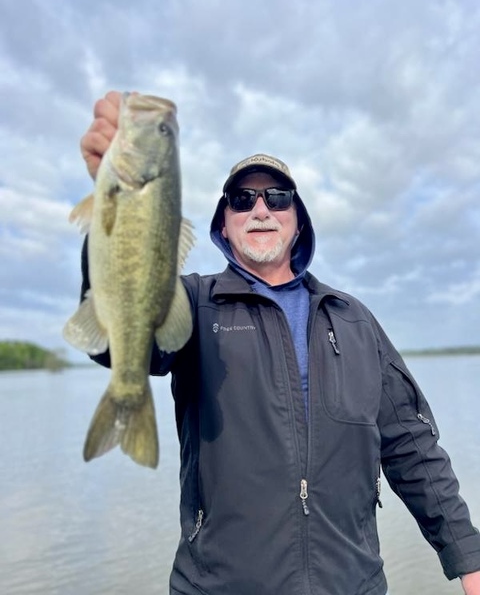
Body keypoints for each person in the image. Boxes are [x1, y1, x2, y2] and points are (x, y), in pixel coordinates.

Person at [79, 91, 480, 595]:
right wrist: (113, 210)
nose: (261, 208)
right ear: (224, 223)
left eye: (278, 197)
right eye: (242, 200)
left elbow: (411, 446)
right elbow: (119, 341)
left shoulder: (353, 319)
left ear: (298, 219)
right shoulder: (194, 303)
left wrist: (468, 555)